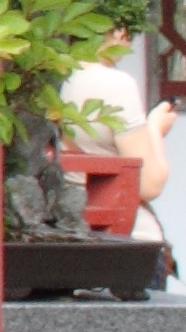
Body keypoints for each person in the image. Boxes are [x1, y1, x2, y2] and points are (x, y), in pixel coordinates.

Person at [59, 47, 175, 241]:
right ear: (119, 32)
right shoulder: (115, 83)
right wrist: (155, 128)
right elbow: (148, 184)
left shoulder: (50, 73)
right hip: (109, 224)